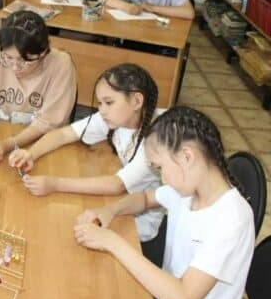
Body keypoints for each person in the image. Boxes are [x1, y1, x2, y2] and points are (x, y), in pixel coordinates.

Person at [74, 107, 254, 299]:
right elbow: (145, 199)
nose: (162, 178)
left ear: (187, 157)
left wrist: (112, 242)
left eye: (160, 168)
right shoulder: (189, 189)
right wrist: (110, 210)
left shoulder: (231, 219)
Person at [9, 63, 164, 251]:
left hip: (138, 228)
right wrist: (31, 153)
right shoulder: (116, 117)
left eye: (109, 102)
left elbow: (116, 184)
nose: (102, 110)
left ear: (136, 101)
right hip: (118, 205)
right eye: (100, 103)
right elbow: (63, 134)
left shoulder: (156, 140)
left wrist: (54, 184)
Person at [0, 11, 76, 165]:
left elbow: (47, 123)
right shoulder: (2, 58)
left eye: (25, 61)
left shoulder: (60, 64)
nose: (15, 67)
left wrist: (8, 145)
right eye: (9, 58)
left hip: (40, 148)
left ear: (44, 51)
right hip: (2, 139)